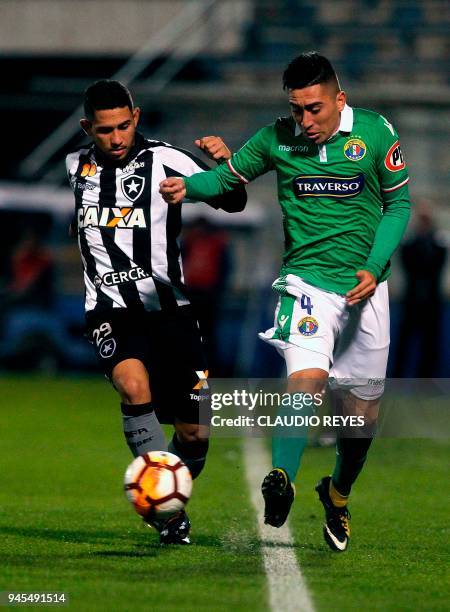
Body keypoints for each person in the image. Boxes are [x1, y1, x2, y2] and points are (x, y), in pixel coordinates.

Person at [160, 52, 411, 552]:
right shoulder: (277, 137)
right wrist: (187, 187)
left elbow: (397, 204)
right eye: (297, 109)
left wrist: (375, 264)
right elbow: (228, 179)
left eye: (315, 108)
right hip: (307, 285)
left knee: (360, 421)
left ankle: (336, 495)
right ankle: (283, 477)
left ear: (340, 99)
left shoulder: (377, 135)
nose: (306, 120)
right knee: (307, 380)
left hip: (365, 287)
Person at [66, 80, 246, 544]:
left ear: (137, 118)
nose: (117, 137)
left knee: (196, 433)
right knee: (133, 385)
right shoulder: (74, 166)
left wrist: (224, 164)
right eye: (105, 130)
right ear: (88, 127)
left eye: (124, 125)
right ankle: (164, 512)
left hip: (172, 312)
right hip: (110, 311)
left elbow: (234, 200)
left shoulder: (169, 159)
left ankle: (162, 492)